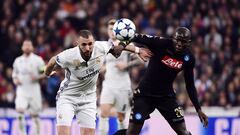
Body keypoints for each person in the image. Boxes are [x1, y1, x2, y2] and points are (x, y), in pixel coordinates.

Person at [44, 30, 151, 135]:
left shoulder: (101, 47)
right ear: (77, 44)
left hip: (88, 99)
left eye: (90, 44)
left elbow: (119, 46)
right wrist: (47, 73)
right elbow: (53, 60)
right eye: (84, 45)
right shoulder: (69, 55)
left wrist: (138, 50)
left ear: (94, 42)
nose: (87, 48)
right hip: (67, 97)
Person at [114, 27, 208, 135]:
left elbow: (190, 84)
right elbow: (134, 36)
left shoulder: (188, 58)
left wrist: (198, 109)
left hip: (166, 97)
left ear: (189, 43)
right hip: (144, 95)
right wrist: (121, 46)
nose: (179, 44)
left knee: (183, 132)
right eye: (177, 40)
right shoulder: (161, 43)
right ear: (173, 38)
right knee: (132, 133)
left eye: (183, 42)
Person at [98, 19, 144, 135]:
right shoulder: (104, 46)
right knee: (103, 113)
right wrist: (102, 68)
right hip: (108, 85)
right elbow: (100, 64)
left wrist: (127, 65)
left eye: (114, 29)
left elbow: (141, 60)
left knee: (121, 118)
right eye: (110, 29)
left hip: (122, 86)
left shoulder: (127, 45)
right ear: (107, 31)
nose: (112, 32)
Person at [12, 40, 46, 135]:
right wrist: (15, 80)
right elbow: (14, 74)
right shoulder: (18, 61)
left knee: (35, 116)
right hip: (22, 90)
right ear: (22, 47)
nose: (27, 47)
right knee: (19, 112)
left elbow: (45, 72)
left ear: (32, 48)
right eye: (25, 45)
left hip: (34, 90)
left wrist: (37, 77)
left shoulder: (38, 60)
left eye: (29, 45)